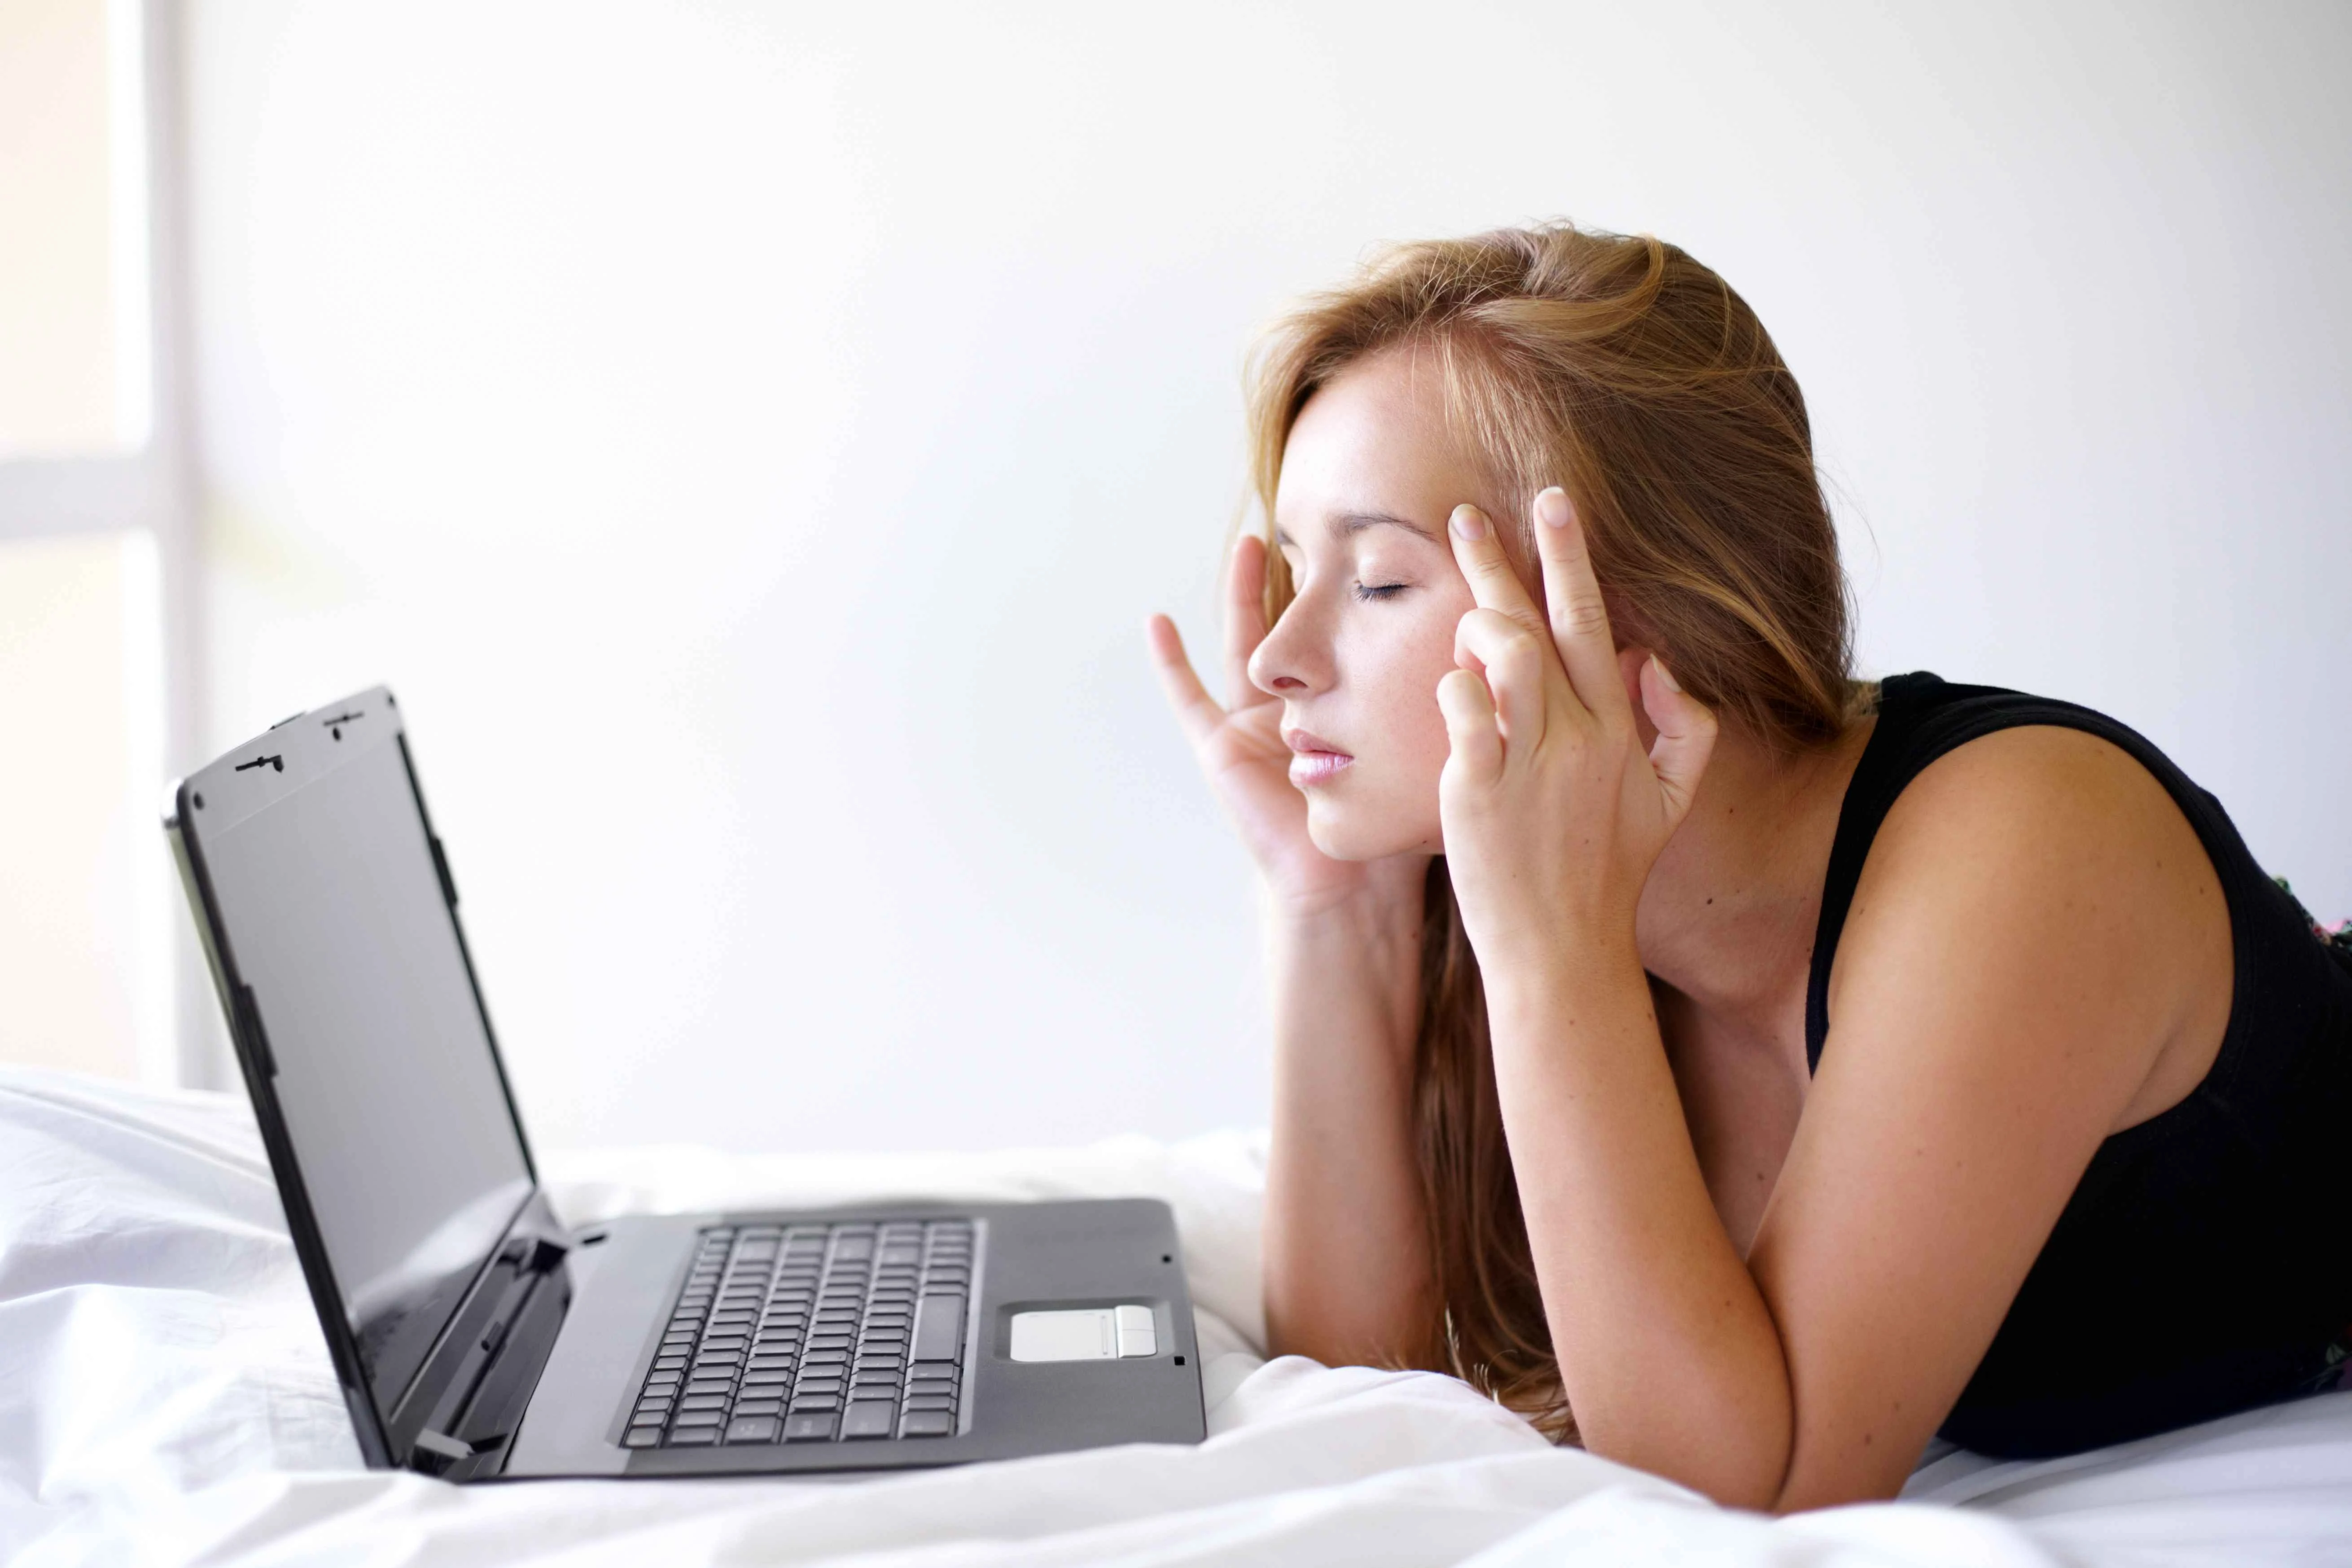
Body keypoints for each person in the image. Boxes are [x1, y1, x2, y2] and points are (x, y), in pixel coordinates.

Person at [1145, 223, 2352, 1511]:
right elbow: (1352, 1374)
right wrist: (1334, 908)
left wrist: (1554, 953)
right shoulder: (1512, 853)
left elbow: (1745, 1498)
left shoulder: (2023, 843)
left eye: (1378, 579)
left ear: (1625, 616)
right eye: (1290, 567)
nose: (1276, 657)